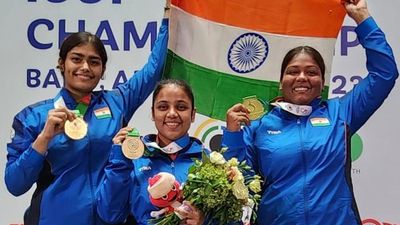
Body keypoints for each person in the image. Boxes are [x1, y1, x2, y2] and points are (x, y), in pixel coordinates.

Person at [222, 0, 398, 224]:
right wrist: (233, 135)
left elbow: (384, 74)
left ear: (322, 81)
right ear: (281, 82)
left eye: (312, 72)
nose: (302, 77)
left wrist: (362, 18)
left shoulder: (340, 113)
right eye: (293, 71)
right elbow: (239, 184)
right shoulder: (259, 127)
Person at [4, 2, 170, 225]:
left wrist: (169, 18)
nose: (85, 67)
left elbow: (154, 69)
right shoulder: (34, 117)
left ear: (102, 72)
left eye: (94, 62)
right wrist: (43, 139)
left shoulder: (117, 103)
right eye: (76, 59)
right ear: (61, 64)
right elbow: (15, 185)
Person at [97, 79, 206, 225]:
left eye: (181, 107)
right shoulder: (135, 159)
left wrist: (205, 221)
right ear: (153, 114)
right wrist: (119, 161)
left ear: (193, 115)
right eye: (163, 107)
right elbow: (110, 215)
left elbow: (231, 219)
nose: (172, 113)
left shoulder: (209, 161)